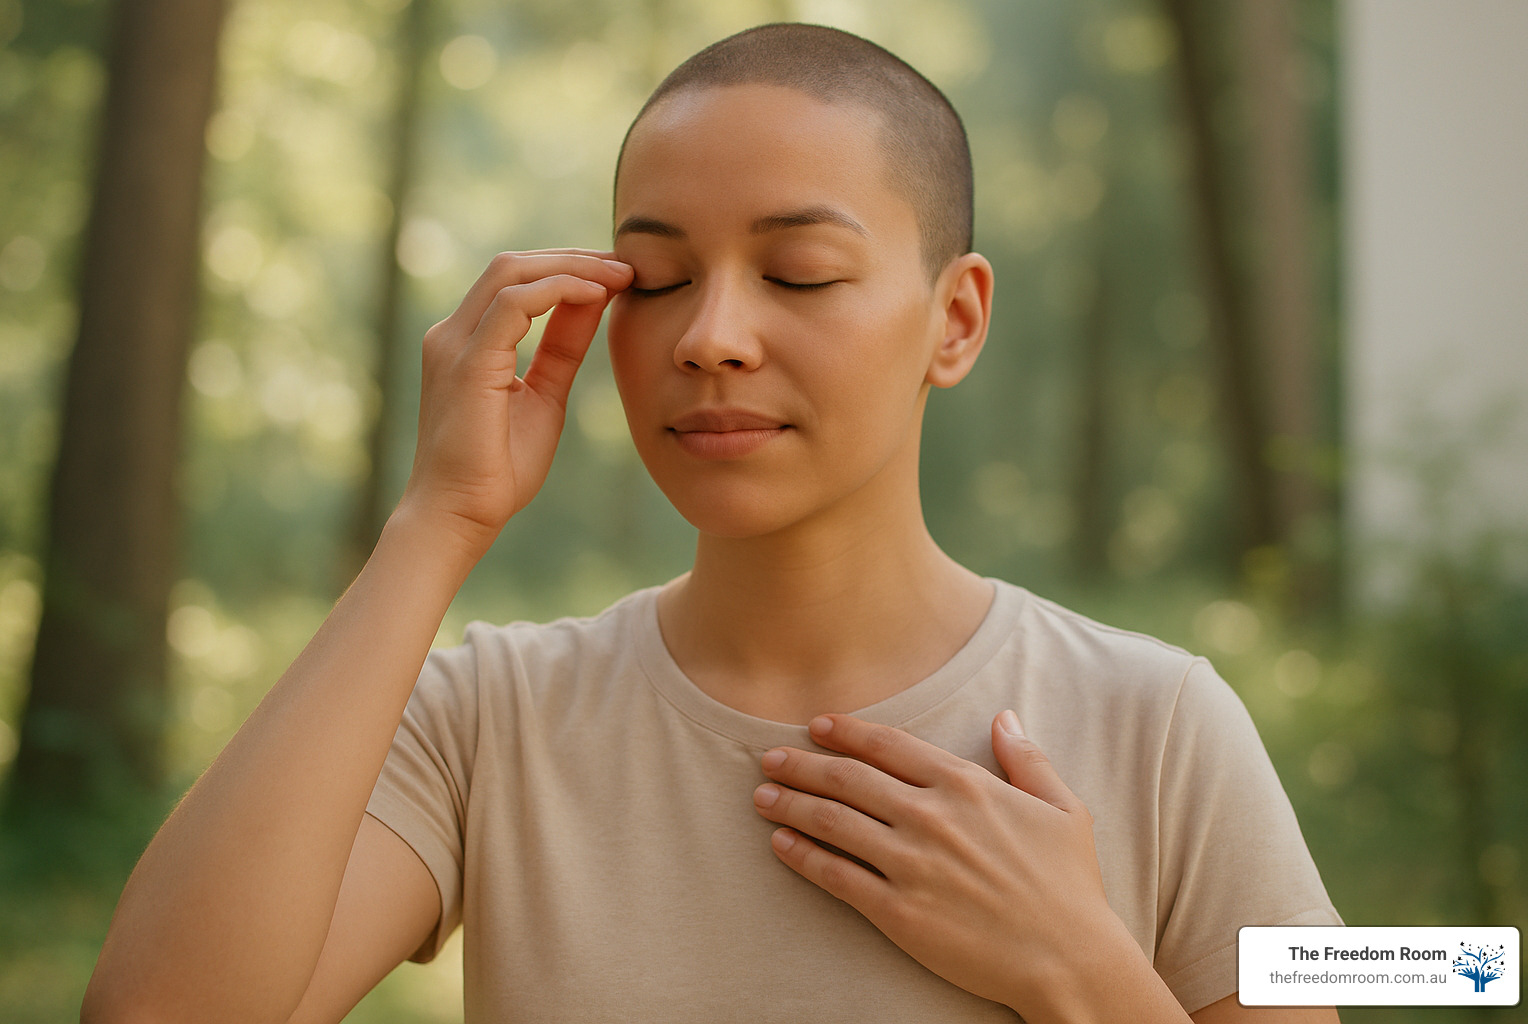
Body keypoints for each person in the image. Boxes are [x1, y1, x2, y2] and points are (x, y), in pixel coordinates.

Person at [82, 23, 1341, 1024]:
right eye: (662, 279)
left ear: (954, 320)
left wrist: (1080, 972)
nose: (710, 335)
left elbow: (1452, 974)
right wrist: (437, 521)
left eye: (798, 274)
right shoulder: (491, 723)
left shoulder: (1163, 722)